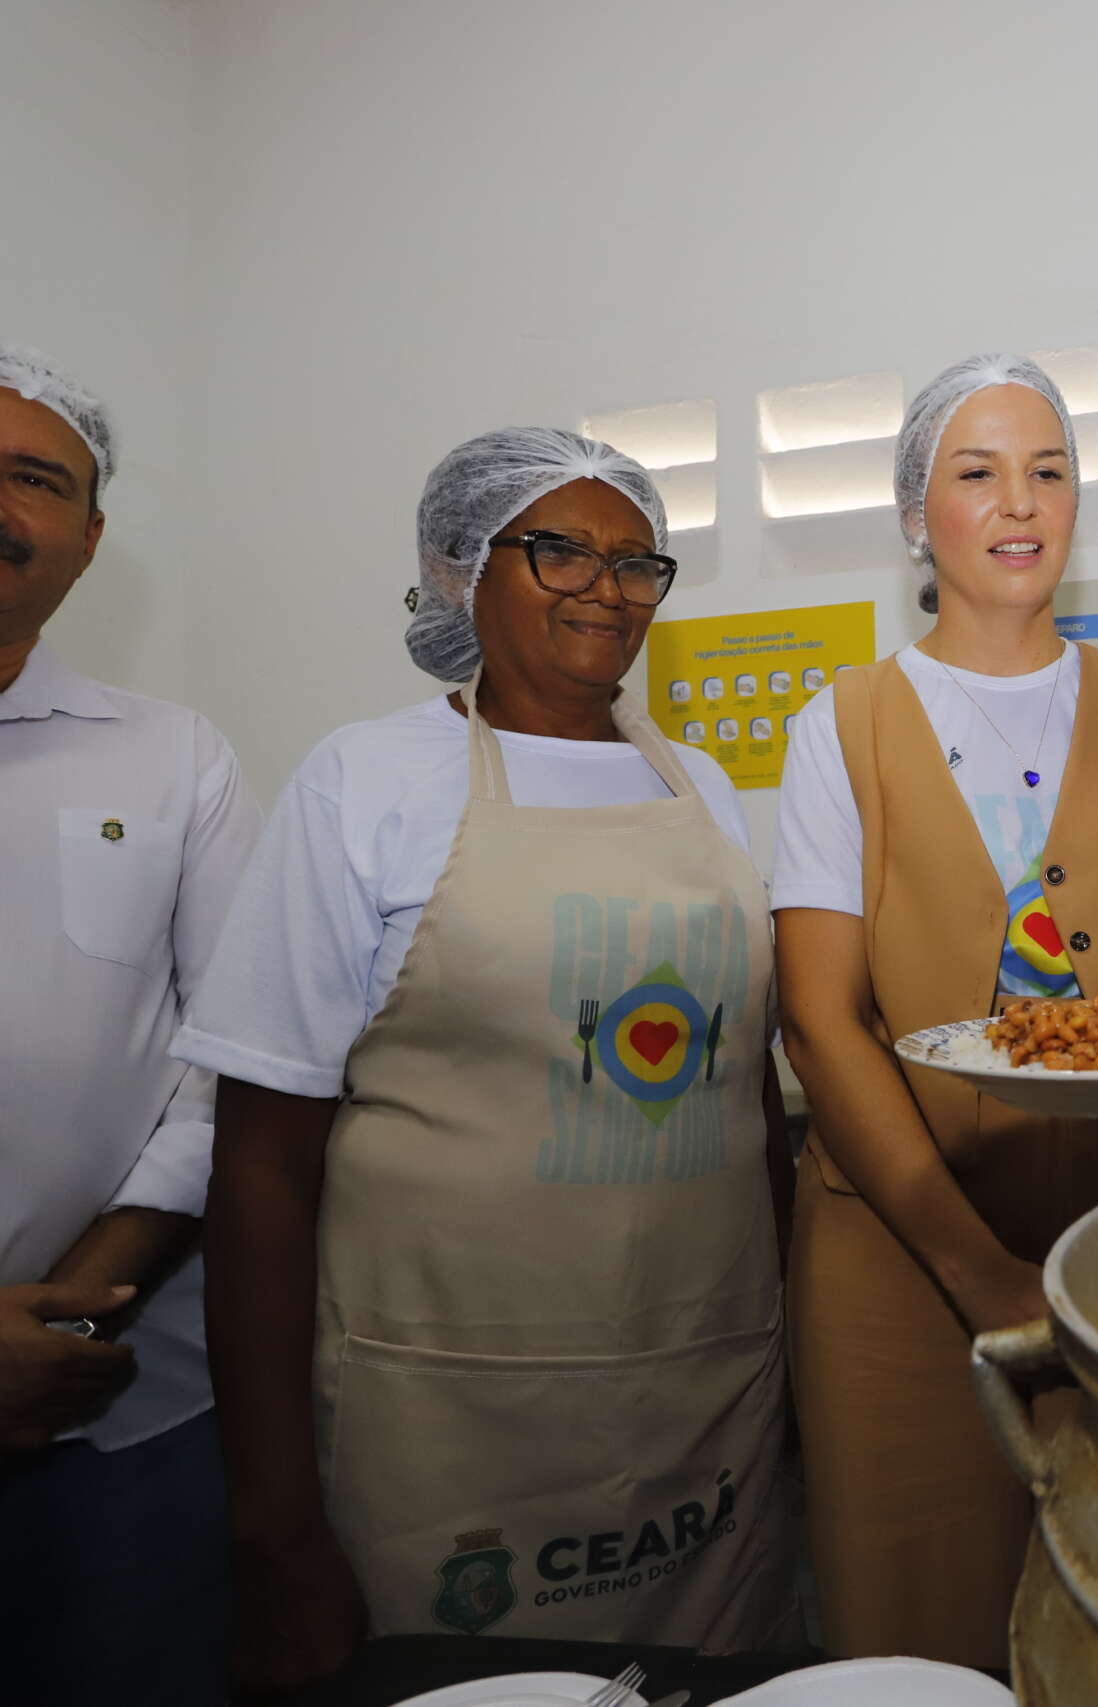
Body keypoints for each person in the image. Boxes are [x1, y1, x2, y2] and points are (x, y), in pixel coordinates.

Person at [181, 429, 792, 1691]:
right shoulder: (367, 783)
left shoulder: (708, 790)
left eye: (636, 561)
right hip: (450, 1418)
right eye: (558, 547)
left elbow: (749, 1108)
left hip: (703, 1405)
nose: (604, 587)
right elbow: (259, 1165)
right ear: (464, 569)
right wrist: (273, 1522)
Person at [773, 354, 1098, 1668]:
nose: (1021, 502)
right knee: (911, 1622)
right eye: (976, 472)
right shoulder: (849, 721)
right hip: (890, 1243)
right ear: (913, 512)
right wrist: (974, 1265)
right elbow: (821, 1019)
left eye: (1048, 470)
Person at [0, 332, 260, 1706]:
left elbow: (228, 1069)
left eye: (33, 479)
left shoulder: (171, 756)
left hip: (110, 1417)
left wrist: (58, 1336)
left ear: (87, 538)